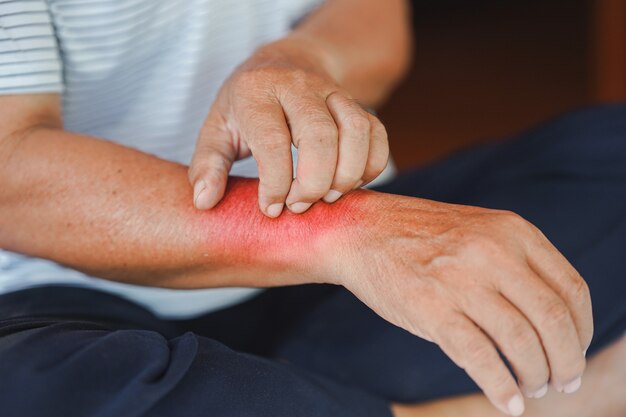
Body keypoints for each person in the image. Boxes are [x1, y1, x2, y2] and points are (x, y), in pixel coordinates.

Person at [0, 1, 624, 416]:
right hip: (63, 302)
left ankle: (299, 393)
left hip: (337, 279)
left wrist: (298, 61)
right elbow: (11, 169)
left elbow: (372, 18)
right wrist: (350, 236)